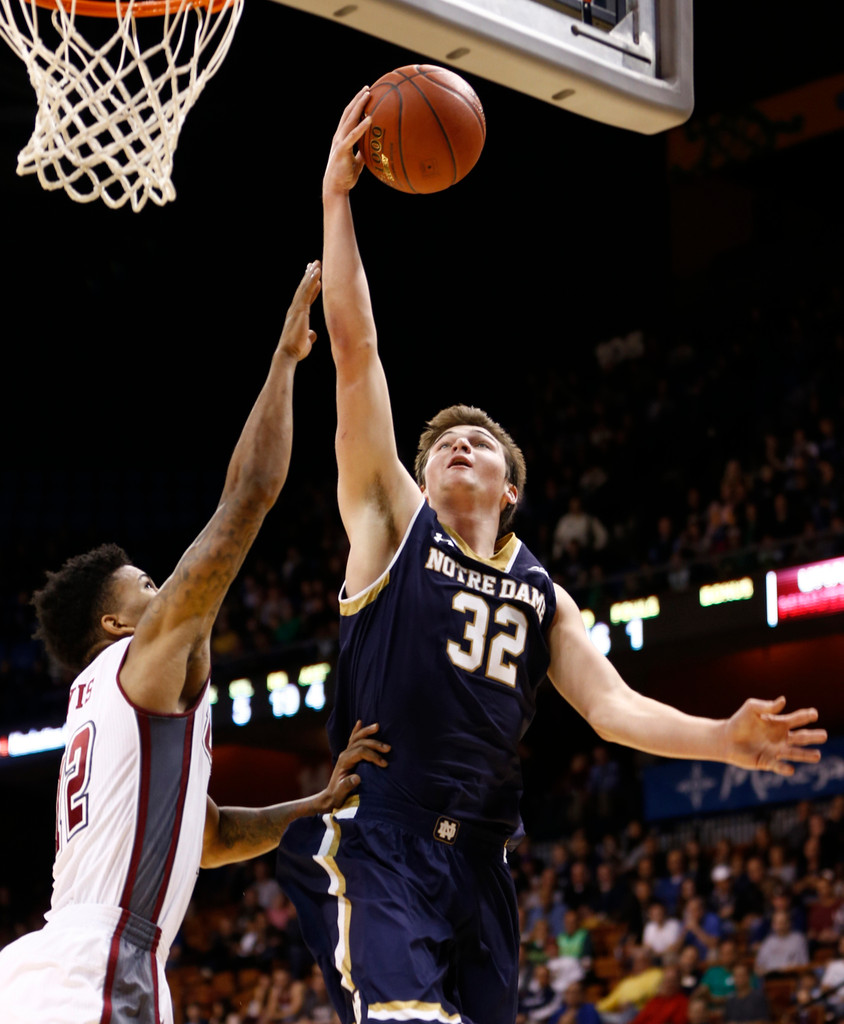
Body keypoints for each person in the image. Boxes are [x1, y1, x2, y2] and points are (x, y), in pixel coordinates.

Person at [274, 87, 828, 1024]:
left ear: (510, 488)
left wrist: (721, 740)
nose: (456, 443)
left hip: (484, 858)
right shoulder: (388, 522)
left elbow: (613, 708)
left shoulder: (545, 593)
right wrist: (337, 202)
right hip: (386, 838)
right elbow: (359, 355)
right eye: (439, 441)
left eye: (478, 442)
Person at [0, 263, 391, 1024]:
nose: (168, 594)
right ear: (116, 625)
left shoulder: (105, 708)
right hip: (99, 971)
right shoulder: (137, 664)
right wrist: (285, 360)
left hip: (48, 967)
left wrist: (316, 801)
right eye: (147, 588)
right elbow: (247, 497)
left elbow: (206, 838)